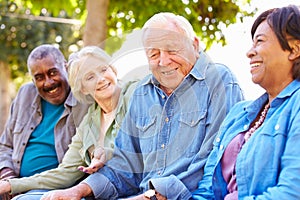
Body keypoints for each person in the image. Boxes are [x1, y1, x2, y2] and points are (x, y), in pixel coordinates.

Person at [41, 12, 244, 200]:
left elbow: (215, 163)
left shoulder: (219, 81)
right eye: (154, 54)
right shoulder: (143, 92)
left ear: (194, 44)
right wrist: (77, 191)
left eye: (172, 49)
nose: (163, 61)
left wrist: (156, 194)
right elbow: (123, 166)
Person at [0, 46, 138, 199]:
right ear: (83, 88)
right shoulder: (89, 123)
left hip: (115, 189)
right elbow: (66, 171)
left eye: (104, 69)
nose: (100, 79)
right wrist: (10, 184)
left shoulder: (134, 95)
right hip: (74, 187)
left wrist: (106, 154)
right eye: (90, 77)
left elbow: (132, 153)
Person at [192, 5, 300, 200]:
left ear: (294, 49)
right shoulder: (238, 114)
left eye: (260, 41)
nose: (249, 52)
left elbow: (292, 193)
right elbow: (207, 189)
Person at [0, 44, 89, 199]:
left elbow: (74, 170)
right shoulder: (25, 94)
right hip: (12, 185)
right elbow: (5, 146)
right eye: (39, 77)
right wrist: (8, 177)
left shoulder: (84, 100)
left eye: (53, 72)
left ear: (66, 68)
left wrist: (17, 186)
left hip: (54, 190)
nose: (48, 83)